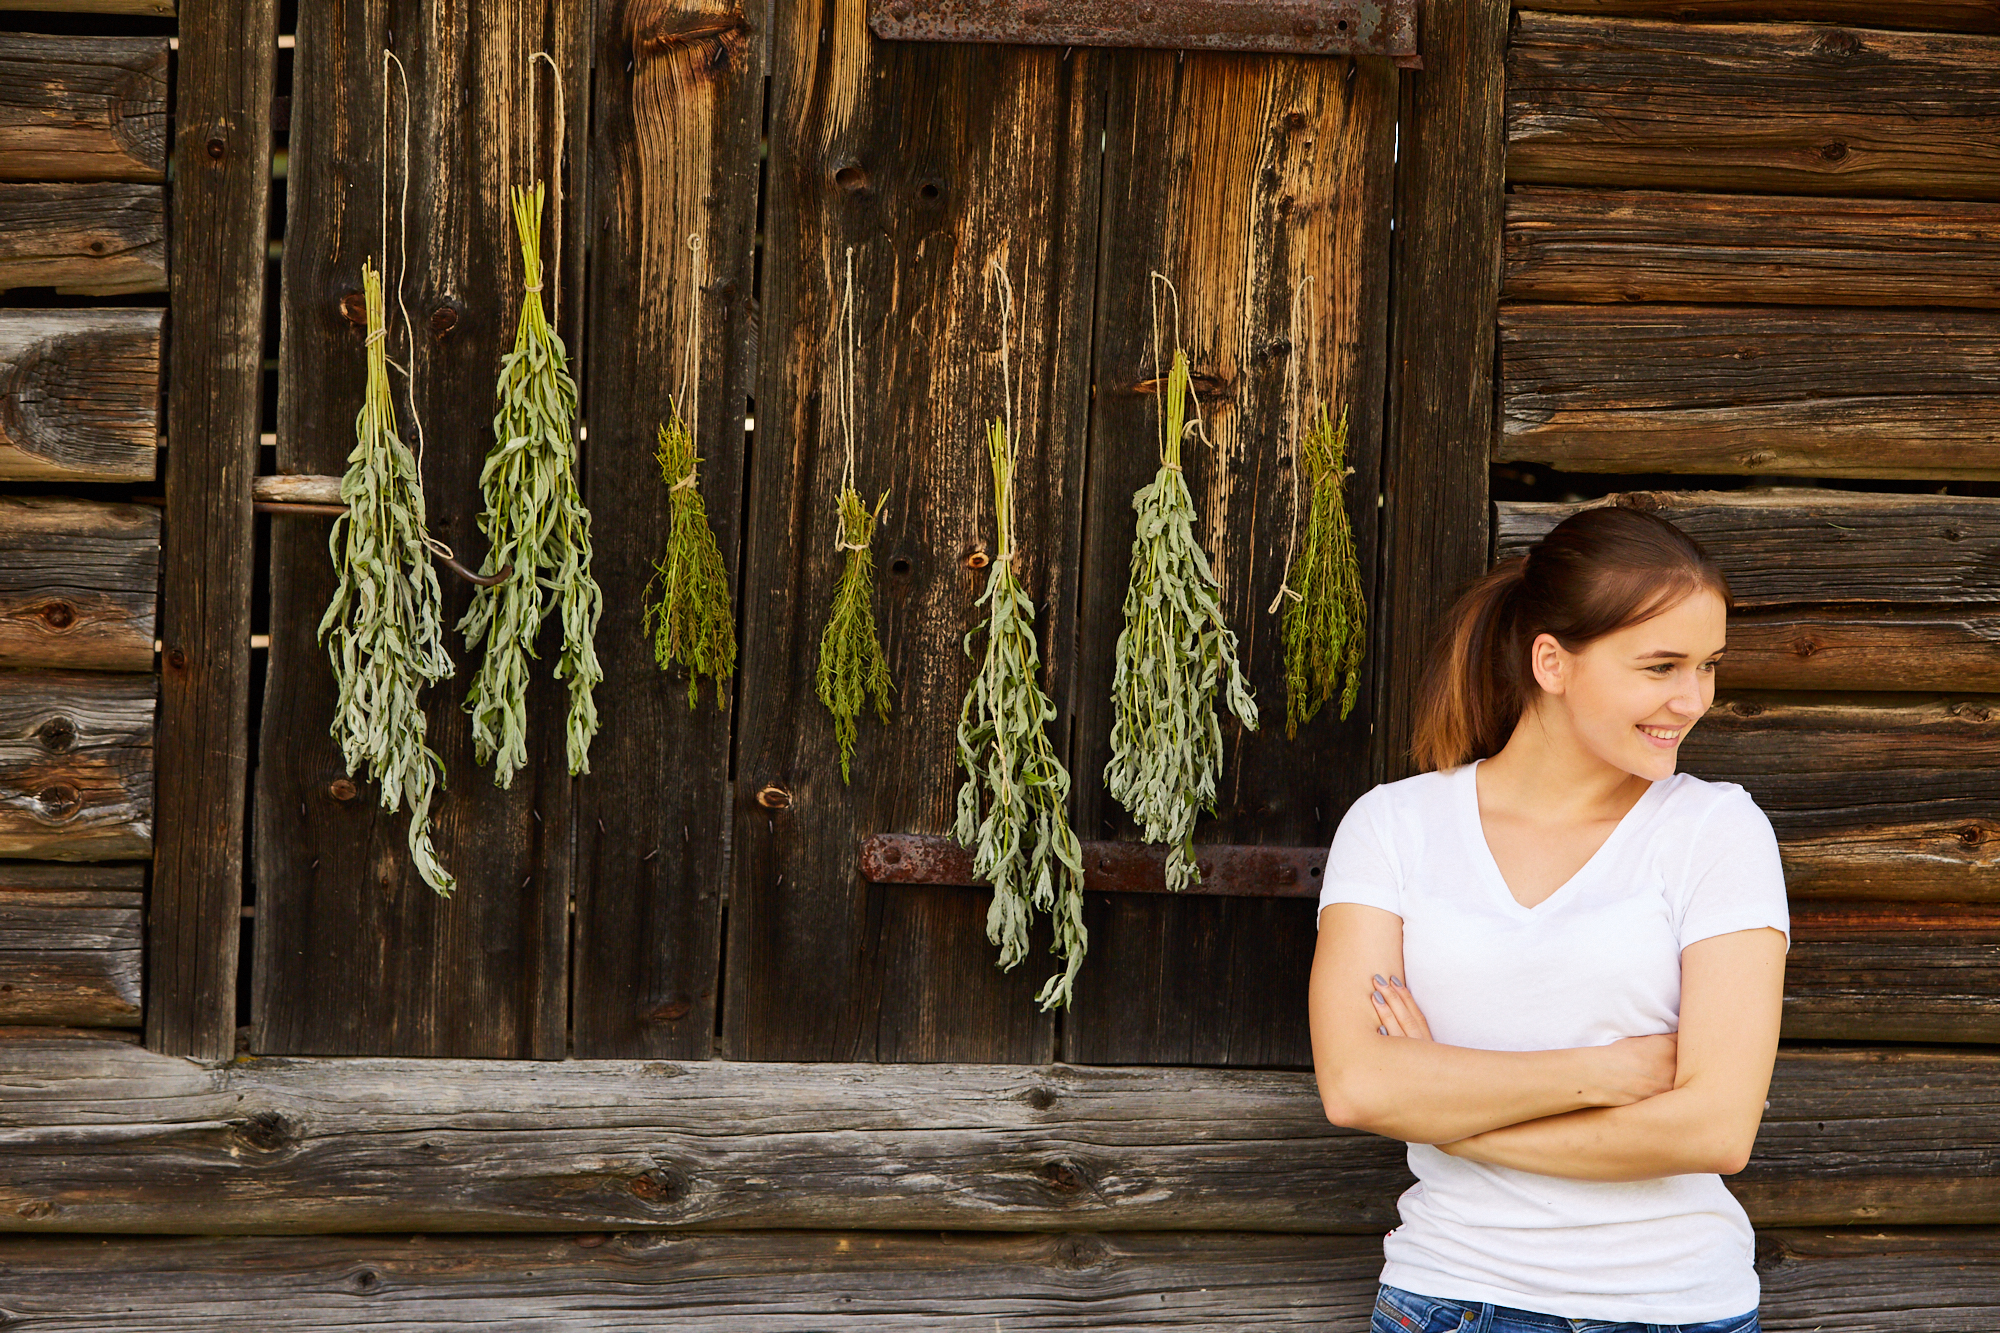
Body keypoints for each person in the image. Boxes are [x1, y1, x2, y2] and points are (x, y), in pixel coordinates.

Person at [1308, 505, 1789, 1333]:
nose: (1693, 698)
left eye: (1708, 665)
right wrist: (1597, 1075)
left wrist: (1448, 1114)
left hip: (1675, 1310)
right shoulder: (1395, 827)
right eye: (1661, 665)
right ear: (1552, 662)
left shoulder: (1718, 831)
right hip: (1450, 1300)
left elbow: (1715, 1128)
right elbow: (1357, 1087)